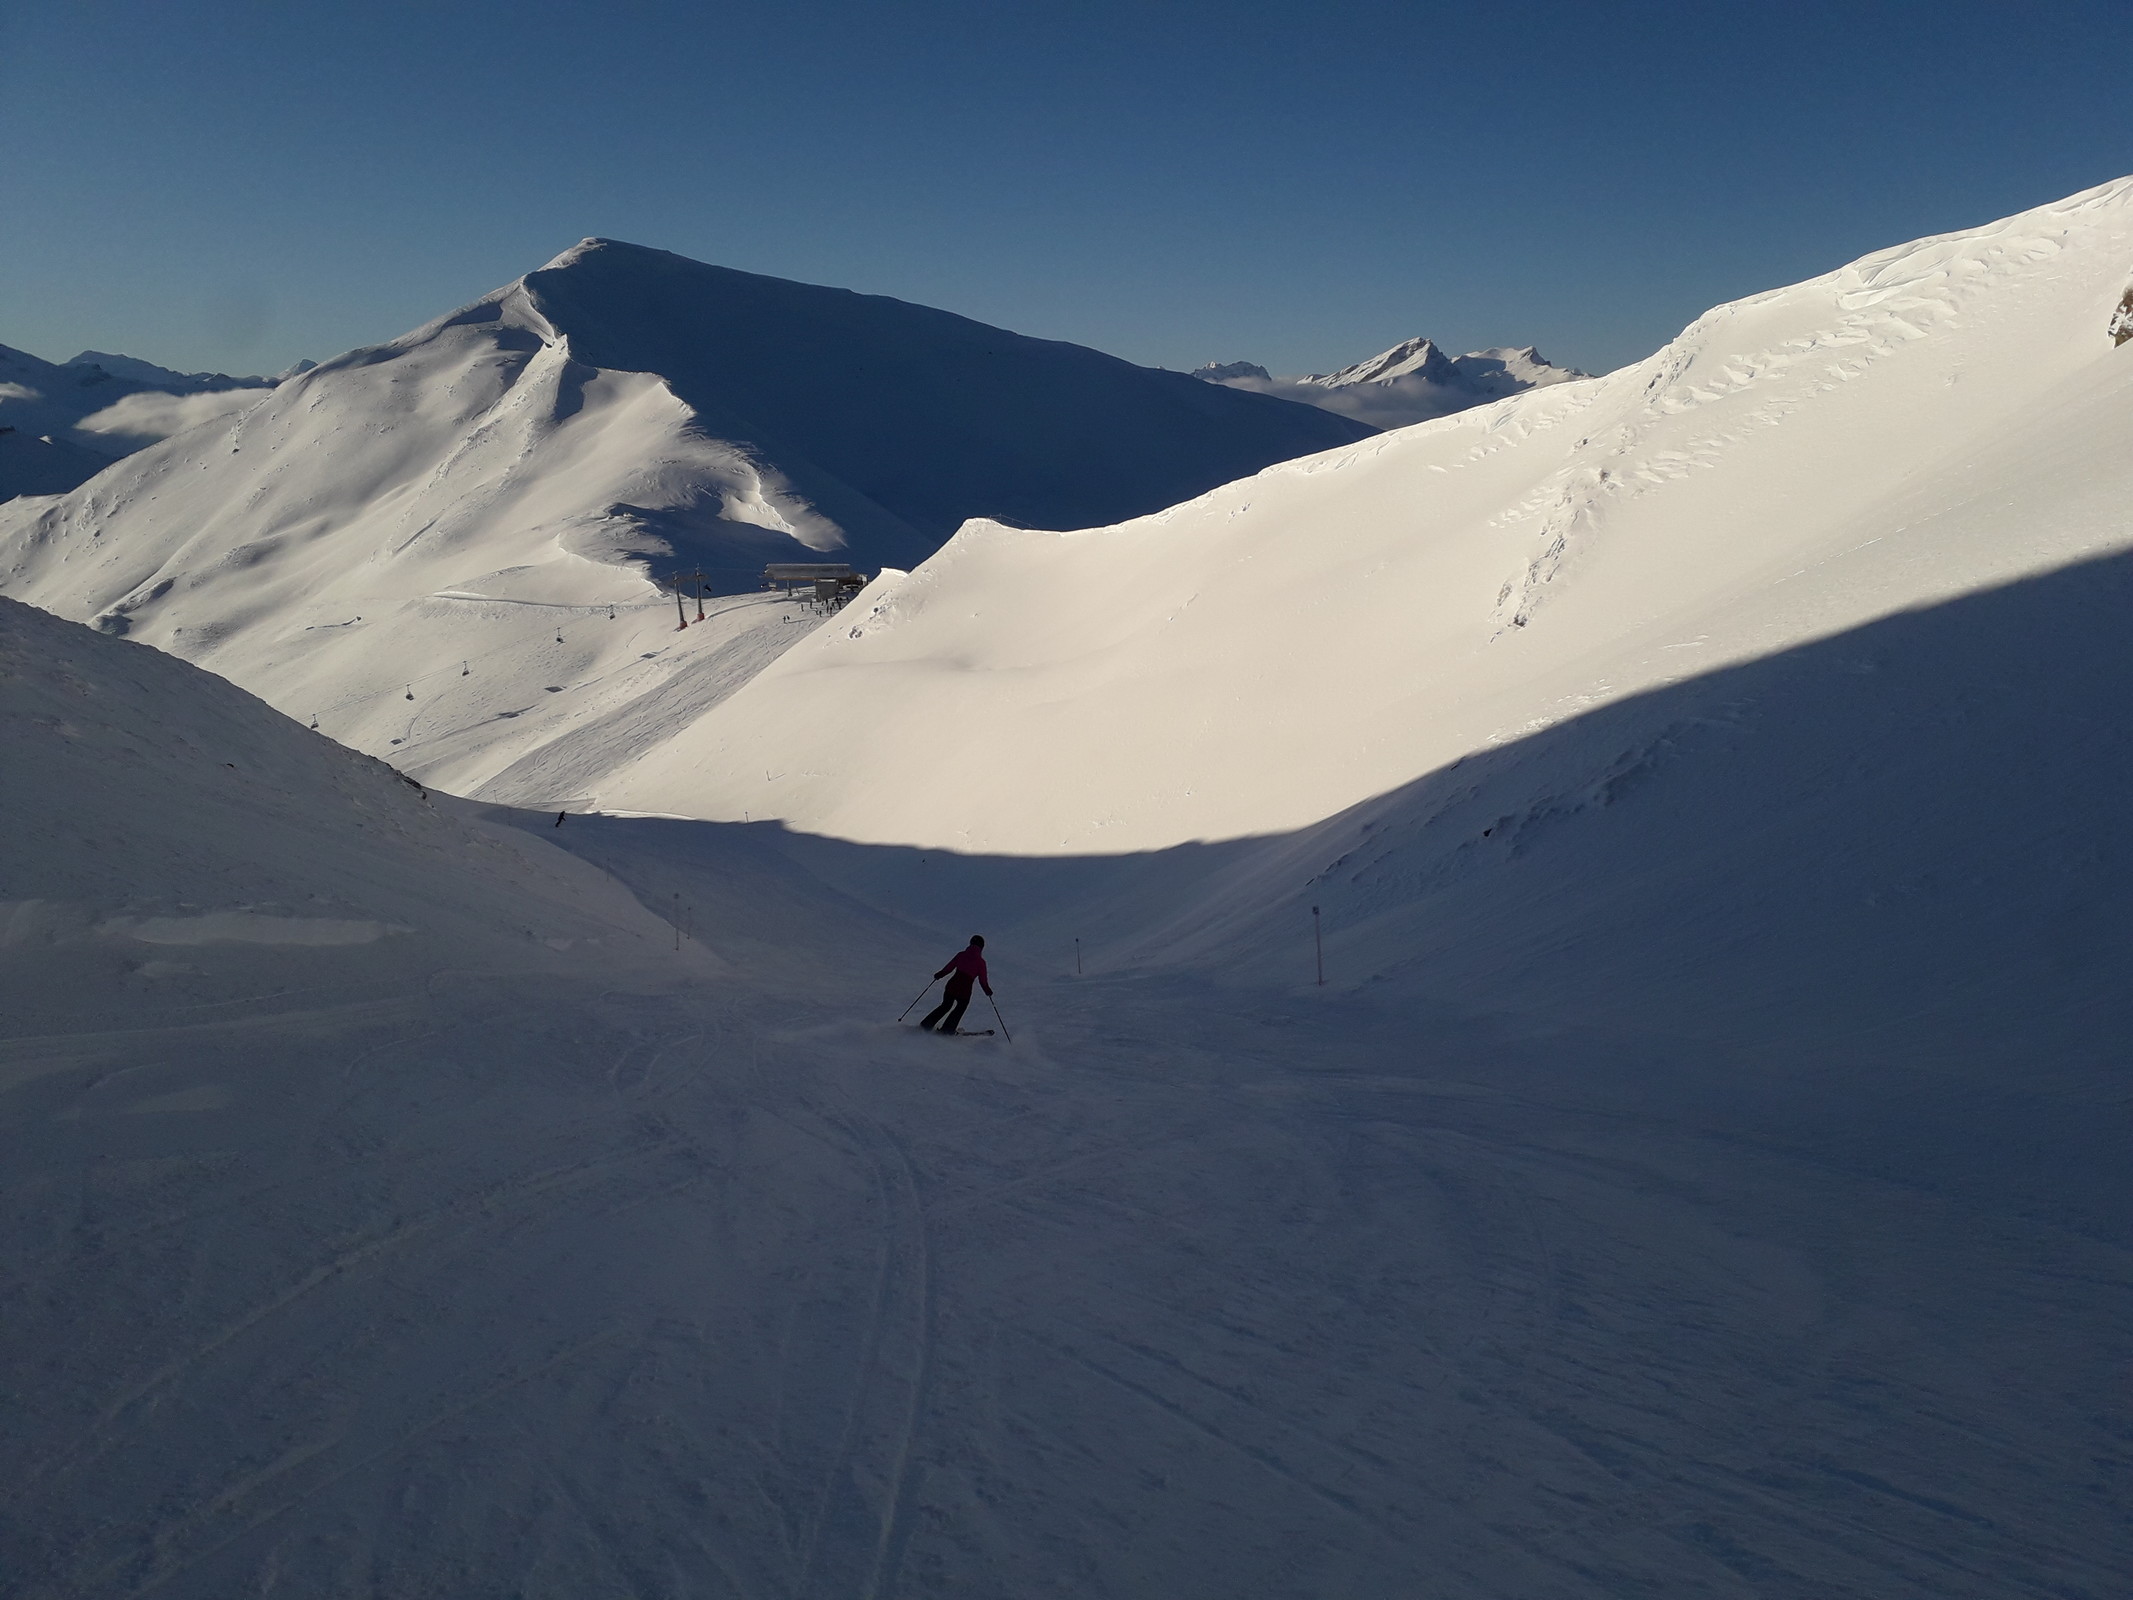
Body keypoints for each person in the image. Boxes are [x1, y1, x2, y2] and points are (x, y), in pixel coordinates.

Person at [919, 936, 991, 1034]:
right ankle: (947, 1029)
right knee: (960, 1007)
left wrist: (940, 974)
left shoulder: (961, 955)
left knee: (945, 1005)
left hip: (952, 986)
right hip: (964, 990)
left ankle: (926, 1024)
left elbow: (949, 968)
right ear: (981, 947)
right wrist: (987, 991)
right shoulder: (981, 963)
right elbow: (983, 981)